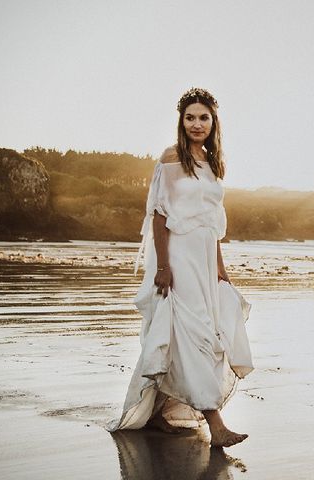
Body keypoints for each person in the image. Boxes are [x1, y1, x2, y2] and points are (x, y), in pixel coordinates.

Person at [107, 87, 254, 448]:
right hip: (176, 256)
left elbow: (213, 223)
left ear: (213, 121)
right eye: (190, 117)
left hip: (204, 258)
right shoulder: (172, 157)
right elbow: (159, 215)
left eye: (203, 117)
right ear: (181, 121)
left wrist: (220, 269)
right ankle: (216, 423)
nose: (196, 124)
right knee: (192, 332)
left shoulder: (214, 161)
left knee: (205, 330)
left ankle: (158, 413)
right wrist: (163, 267)